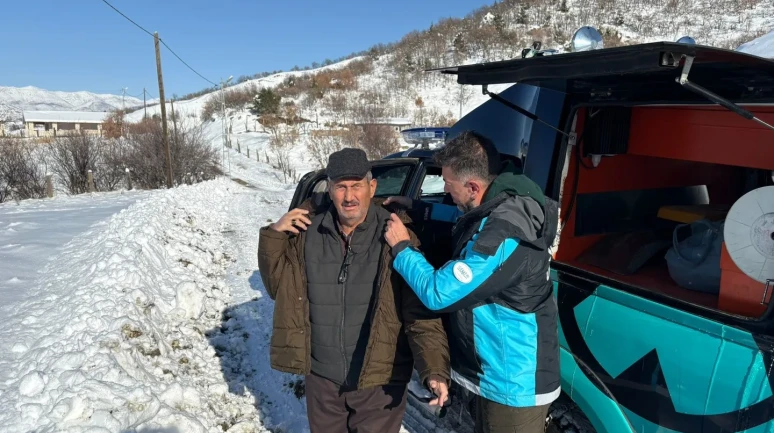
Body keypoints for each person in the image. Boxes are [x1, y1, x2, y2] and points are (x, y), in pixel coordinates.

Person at [258, 147, 450, 433]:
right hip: (323, 380)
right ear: (330, 190)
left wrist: (434, 369)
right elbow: (278, 290)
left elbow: (419, 311)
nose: (349, 197)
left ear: (371, 187)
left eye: (357, 186)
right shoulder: (307, 234)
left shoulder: (395, 235)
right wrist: (275, 235)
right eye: (341, 187)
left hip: (380, 382)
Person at [383, 131, 560, 433]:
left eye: (448, 187)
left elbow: (439, 293)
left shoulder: (503, 233)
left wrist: (402, 248)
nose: (446, 193)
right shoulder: (504, 203)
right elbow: (468, 217)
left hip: (512, 383)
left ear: (474, 186)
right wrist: (420, 208)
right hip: (500, 375)